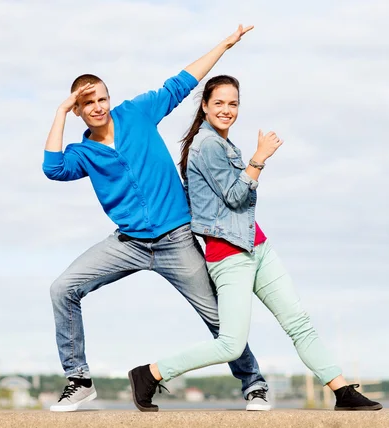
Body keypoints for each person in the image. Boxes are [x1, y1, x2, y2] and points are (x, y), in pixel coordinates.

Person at [42, 26, 272, 412]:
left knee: (218, 318)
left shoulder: (136, 113)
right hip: (127, 244)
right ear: (79, 110)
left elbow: (182, 82)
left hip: (176, 239)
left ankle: (254, 383)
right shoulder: (83, 152)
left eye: (102, 98)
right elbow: (53, 168)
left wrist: (224, 45)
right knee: (62, 289)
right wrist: (60, 111)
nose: (98, 106)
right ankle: (78, 379)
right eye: (87, 103)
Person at [128, 75, 383, 412]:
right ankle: (151, 373)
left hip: (257, 246)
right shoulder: (207, 146)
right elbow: (235, 198)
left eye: (233, 104)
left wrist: (253, 160)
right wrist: (259, 158)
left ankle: (341, 391)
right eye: (219, 103)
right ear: (204, 106)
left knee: (298, 322)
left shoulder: (222, 143)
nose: (226, 110)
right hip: (229, 256)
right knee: (231, 345)